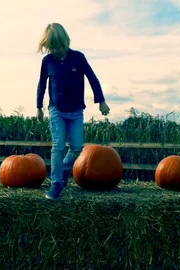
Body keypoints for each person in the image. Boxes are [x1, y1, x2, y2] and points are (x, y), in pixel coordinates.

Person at [36, 22, 110, 200]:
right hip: (56, 111)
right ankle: (56, 184)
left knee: (77, 148)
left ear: (66, 41)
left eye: (60, 46)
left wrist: (101, 101)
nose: (57, 51)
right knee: (58, 145)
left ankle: (62, 170)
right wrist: (38, 107)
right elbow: (41, 85)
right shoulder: (47, 61)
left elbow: (93, 79)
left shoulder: (78, 57)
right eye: (52, 48)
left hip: (76, 112)